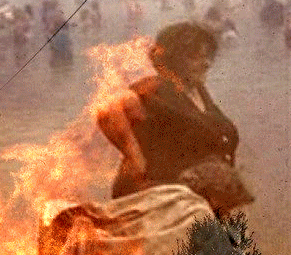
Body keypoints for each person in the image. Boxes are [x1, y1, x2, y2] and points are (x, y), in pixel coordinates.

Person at [97, 21, 249, 214]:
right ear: (175, 59)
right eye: (196, 57)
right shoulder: (156, 88)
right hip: (160, 199)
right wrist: (134, 156)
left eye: (207, 56)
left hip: (195, 201)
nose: (206, 63)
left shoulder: (197, 90)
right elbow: (107, 110)